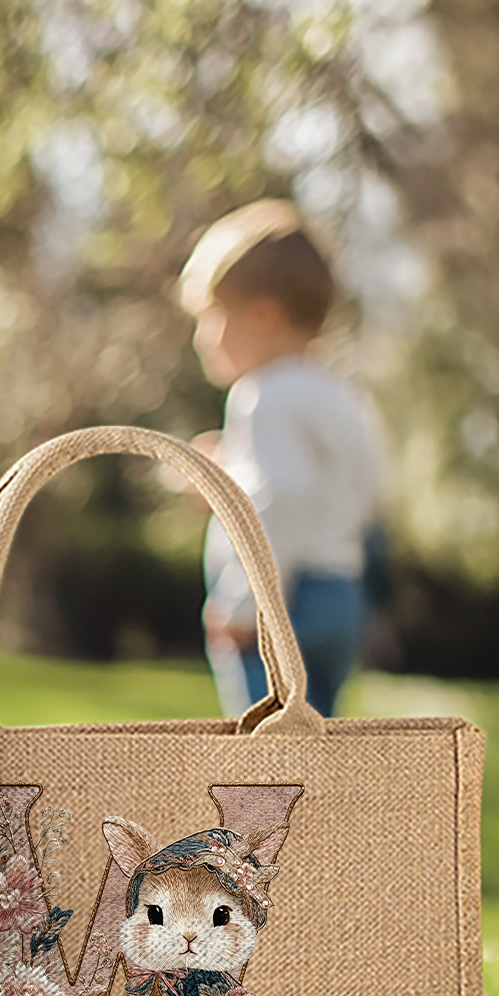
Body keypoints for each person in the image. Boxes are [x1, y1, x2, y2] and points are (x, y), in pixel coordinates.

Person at [179, 200, 387, 720]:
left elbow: (277, 499)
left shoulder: (261, 395)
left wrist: (241, 603)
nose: (202, 338)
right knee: (311, 756)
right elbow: (347, 489)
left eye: (211, 318)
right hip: (338, 594)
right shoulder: (340, 396)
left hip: (282, 608)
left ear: (262, 315)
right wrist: (230, 474)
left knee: (266, 765)